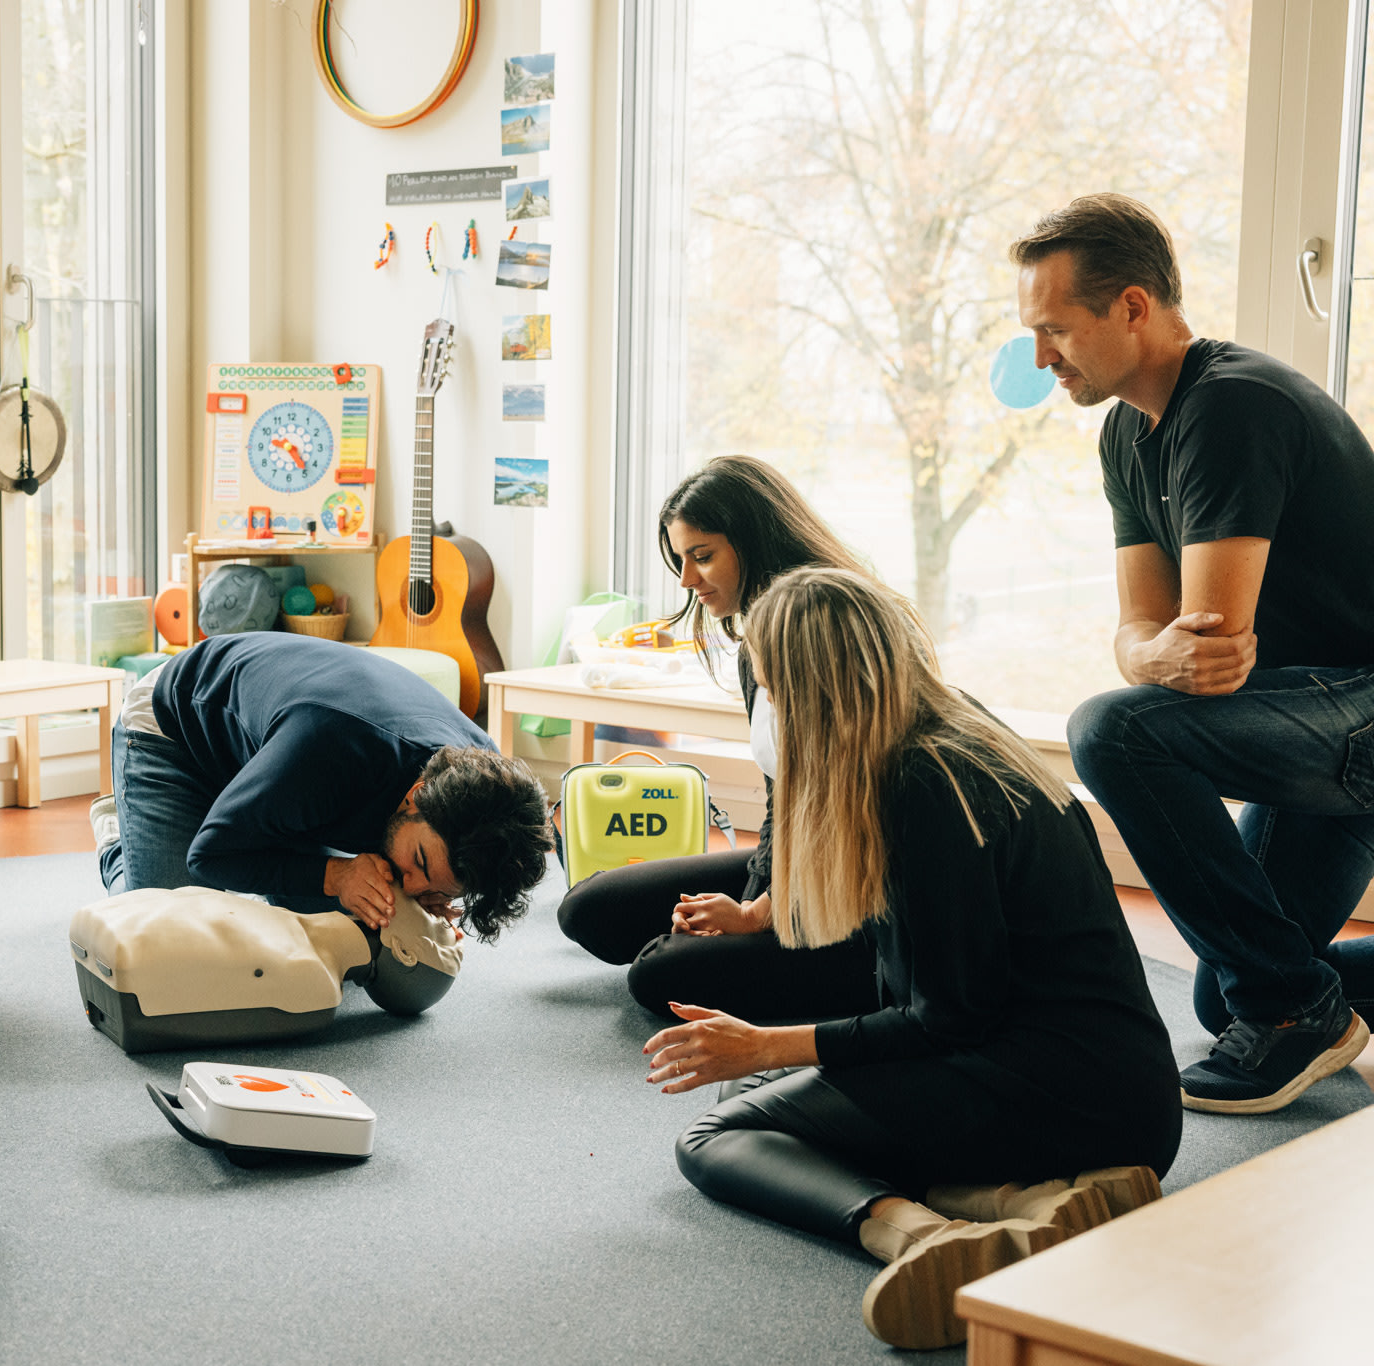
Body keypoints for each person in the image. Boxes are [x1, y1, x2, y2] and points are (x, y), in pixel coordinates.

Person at [658, 567, 1181, 1352]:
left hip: (1060, 1095)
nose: (766, 707)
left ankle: (919, 1236)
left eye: (769, 686)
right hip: (1121, 1089)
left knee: (718, 1135)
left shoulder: (923, 789)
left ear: (811, 691)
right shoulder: (957, 735)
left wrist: (767, 1041)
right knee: (787, 1090)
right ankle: (1024, 1203)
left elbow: (948, 1018)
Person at [1018, 193, 1374, 1113]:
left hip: (1360, 712)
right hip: (1317, 717)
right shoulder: (1125, 438)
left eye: (1056, 329)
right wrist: (1147, 656)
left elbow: (1208, 650)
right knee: (1226, 994)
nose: (1039, 357)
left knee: (1113, 732)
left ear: (1132, 307)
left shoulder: (1231, 406)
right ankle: (1301, 999)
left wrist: (1149, 659)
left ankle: (1301, 1014)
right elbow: (1145, 633)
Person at [558, 455, 882, 1020]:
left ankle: (857, 979)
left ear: (756, 541)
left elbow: (848, 822)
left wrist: (758, 914)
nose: (686, 580)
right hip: (790, 867)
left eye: (702, 557)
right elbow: (783, 800)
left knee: (659, 975)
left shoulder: (825, 635)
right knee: (589, 909)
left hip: (857, 891)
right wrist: (752, 894)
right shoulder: (755, 641)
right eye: (681, 559)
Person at [96, 631, 553, 943]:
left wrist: (432, 894)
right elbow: (212, 855)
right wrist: (337, 875)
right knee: (167, 939)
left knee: (350, 936)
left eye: (436, 887)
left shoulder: (486, 781)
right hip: (175, 726)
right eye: (417, 864)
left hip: (285, 771)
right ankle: (122, 837)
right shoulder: (330, 748)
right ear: (416, 797)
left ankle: (259, 811)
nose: (409, 887)